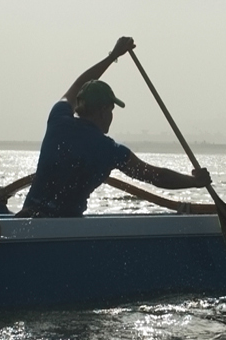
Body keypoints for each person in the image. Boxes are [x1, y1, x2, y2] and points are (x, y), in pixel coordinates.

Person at [20, 37, 212, 218]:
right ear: (103, 111)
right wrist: (194, 182)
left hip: (27, 218)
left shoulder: (58, 119)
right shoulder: (110, 151)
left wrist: (113, 56)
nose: (112, 116)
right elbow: (155, 176)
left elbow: (79, 84)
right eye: (111, 110)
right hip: (66, 228)